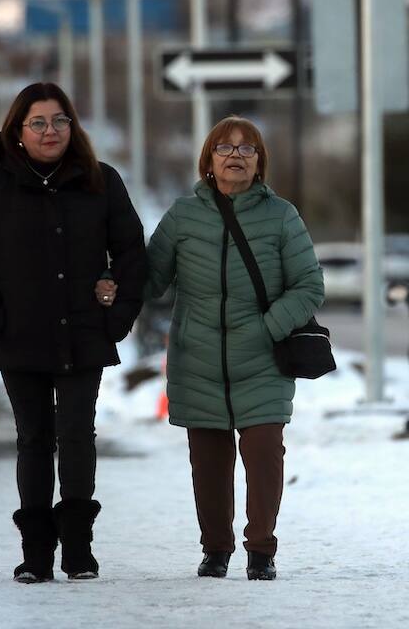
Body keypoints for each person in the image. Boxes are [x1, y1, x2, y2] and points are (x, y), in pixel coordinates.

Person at [0, 82, 146, 583]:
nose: (50, 131)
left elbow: (132, 255)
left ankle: (78, 549)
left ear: (72, 127)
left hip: (85, 334)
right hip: (20, 337)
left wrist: (114, 316)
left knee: (77, 436)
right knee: (34, 439)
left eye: (59, 120)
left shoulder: (102, 182)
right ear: (17, 131)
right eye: (37, 122)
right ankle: (36, 553)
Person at [142, 115, 323, 581]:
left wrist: (266, 329)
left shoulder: (281, 215)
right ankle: (215, 549)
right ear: (208, 160)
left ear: (260, 161)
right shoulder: (184, 215)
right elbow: (149, 279)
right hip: (196, 358)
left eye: (247, 149)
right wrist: (105, 273)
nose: (236, 156)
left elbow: (308, 286)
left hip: (263, 357)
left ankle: (261, 549)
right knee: (208, 463)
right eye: (225, 148)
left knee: (264, 454)